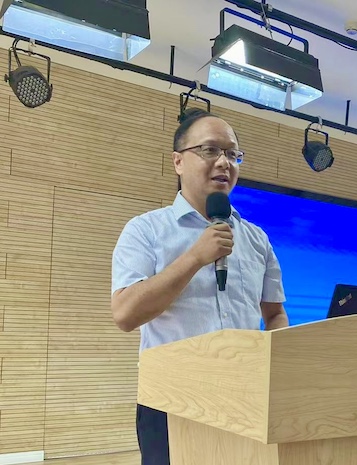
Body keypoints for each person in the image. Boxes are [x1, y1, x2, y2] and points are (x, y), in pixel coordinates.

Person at [110, 108, 289, 465]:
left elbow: (274, 314)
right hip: (171, 401)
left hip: (244, 398)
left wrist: (279, 367)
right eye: (210, 150)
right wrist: (194, 258)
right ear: (178, 161)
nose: (224, 162)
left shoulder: (257, 239)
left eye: (233, 154)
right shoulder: (145, 230)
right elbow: (126, 314)